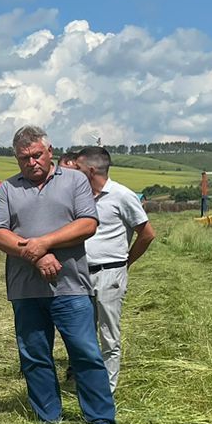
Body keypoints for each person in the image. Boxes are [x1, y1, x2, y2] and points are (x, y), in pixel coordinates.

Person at [0, 125, 116, 424]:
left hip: (71, 286)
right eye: (23, 158)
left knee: (84, 351)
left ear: (50, 152)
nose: (30, 163)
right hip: (25, 288)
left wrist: (44, 243)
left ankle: (100, 419)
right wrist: (36, 254)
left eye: (35, 155)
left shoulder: (74, 181)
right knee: (34, 355)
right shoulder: (7, 189)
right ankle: (48, 418)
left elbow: (87, 224)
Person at [75, 146, 155, 392]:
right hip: (80, 273)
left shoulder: (122, 196)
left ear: (90, 170)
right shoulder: (80, 197)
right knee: (82, 332)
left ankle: (107, 388)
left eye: (77, 168)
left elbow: (147, 234)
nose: (73, 173)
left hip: (111, 273)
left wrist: (126, 261)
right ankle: (87, 381)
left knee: (109, 333)